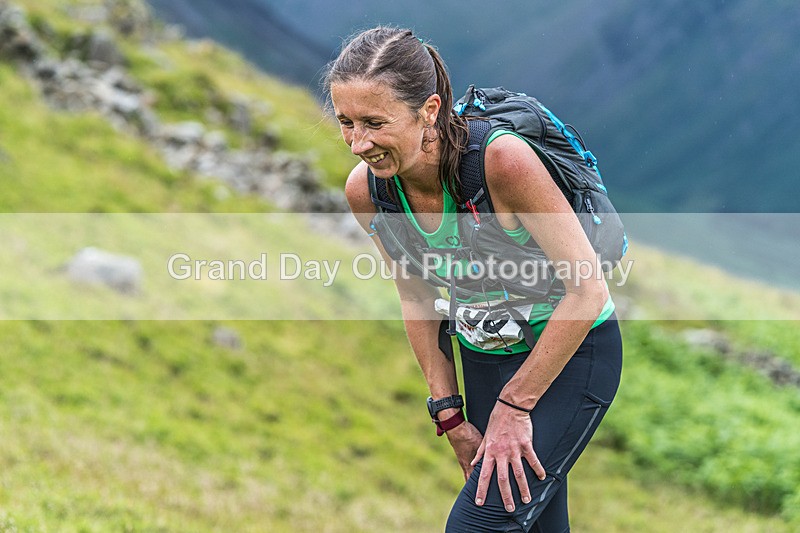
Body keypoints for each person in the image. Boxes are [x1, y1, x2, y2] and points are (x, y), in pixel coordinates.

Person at [324, 26, 622, 533]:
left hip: (572, 355)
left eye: (375, 122)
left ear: (430, 111)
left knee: (478, 526)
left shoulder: (501, 162)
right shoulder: (368, 192)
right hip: (483, 359)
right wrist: (449, 413)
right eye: (346, 123)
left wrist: (515, 404)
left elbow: (587, 290)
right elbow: (417, 299)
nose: (358, 144)